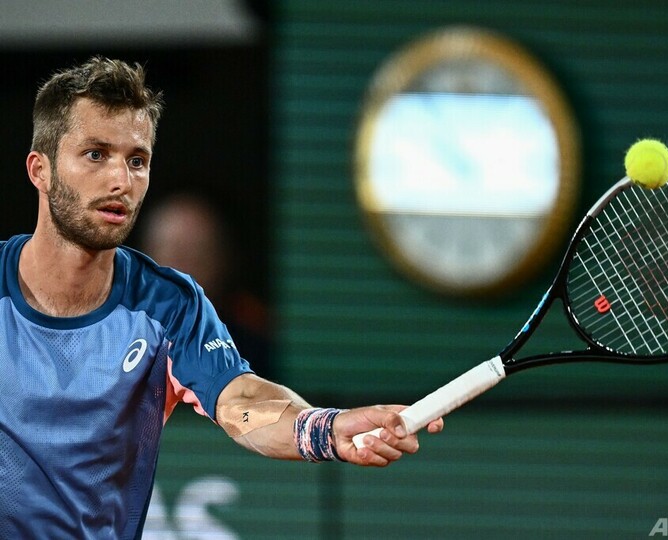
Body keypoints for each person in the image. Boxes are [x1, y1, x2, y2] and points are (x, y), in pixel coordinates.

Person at [0, 56, 442, 539]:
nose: (121, 181)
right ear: (40, 170)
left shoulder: (170, 307)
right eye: (95, 154)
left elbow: (240, 400)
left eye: (137, 161)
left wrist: (324, 429)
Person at [139, 192, 275, 379]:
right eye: (171, 250)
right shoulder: (117, 330)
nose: (181, 268)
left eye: (197, 254)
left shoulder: (255, 331)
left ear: (224, 260)